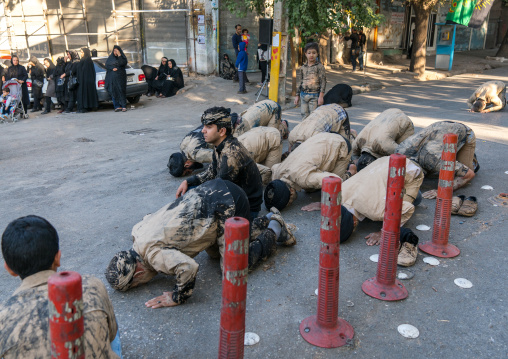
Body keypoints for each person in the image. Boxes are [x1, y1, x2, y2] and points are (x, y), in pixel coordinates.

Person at [105, 179, 296, 308]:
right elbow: (150, 217)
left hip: (228, 203)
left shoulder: (153, 256)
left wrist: (177, 296)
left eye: (137, 284)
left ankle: (275, 227)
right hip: (214, 190)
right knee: (214, 255)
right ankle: (267, 218)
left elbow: (188, 268)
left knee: (234, 269)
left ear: (138, 273)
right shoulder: (137, 232)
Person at [0, 215, 121, 358]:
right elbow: (111, 333)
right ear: (58, 257)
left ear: (9, 269)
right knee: (107, 322)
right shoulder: (91, 285)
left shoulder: (3, 316)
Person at [301, 156, 423, 266]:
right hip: (385, 161)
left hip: (409, 169)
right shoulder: (337, 194)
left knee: (411, 200)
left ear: (354, 224)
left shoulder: (375, 211)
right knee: (384, 188)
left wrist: (384, 231)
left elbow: (407, 209)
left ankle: (418, 195)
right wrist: (324, 204)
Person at [176, 107, 263, 220]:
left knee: (194, 208)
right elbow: (211, 173)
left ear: (222, 131)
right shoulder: (220, 146)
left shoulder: (231, 154)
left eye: (208, 127)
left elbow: (219, 189)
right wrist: (187, 181)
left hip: (246, 208)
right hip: (229, 191)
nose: (203, 130)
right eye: (204, 126)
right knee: (189, 191)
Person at [265, 132, 354, 211]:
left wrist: (322, 204)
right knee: (312, 186)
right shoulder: (278, 172)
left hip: (340, 143)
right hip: (320, 136)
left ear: (291, 192)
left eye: (288, 203)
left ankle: (351, 172)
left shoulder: (306, 179)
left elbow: (336, 180)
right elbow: (274, 167)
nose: (290, 203)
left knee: (335, 189)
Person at [396, 121, 478, 200]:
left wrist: (441, 191)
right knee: (435, 160)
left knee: (466, 172)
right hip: (437, 129)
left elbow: (469, 175)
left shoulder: (433, 161)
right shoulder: (399, 152)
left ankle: (467, 155)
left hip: (463, 131)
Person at [294, 42, 327, 119]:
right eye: (309, 53)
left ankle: (313, 131)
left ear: (317, 54)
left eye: (314, 53)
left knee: (314, 117)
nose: (311, 55)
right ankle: (305, 131)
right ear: (305, 54)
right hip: (303, 95)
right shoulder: (303, 68)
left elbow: (323, 82)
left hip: (314, 96)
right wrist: (297, 96)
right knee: (304, 116)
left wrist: (321, 97)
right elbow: (300, 82)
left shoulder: (319, 67)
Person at [105, 45, 128, 112]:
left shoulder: (122, 57)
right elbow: (107, 65)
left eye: (117, 51)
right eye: (114, 51)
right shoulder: (110, 58)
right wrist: (112, 68)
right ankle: (117, 106)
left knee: (121, 91)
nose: (115, 52)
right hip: (113, 79)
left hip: (121, 79)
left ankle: (123, 106)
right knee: (114, 91)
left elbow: (122, 63)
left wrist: (119, 55)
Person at [76, 48, 99, 113]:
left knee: (86, 94)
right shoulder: (83, 60)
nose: (81, 54)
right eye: (81, 52)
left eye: (82, 52)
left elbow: (87, 72)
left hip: (87, 81)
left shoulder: (88, 60)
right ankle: (86, 106)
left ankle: (87, 107)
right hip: (83, 81)